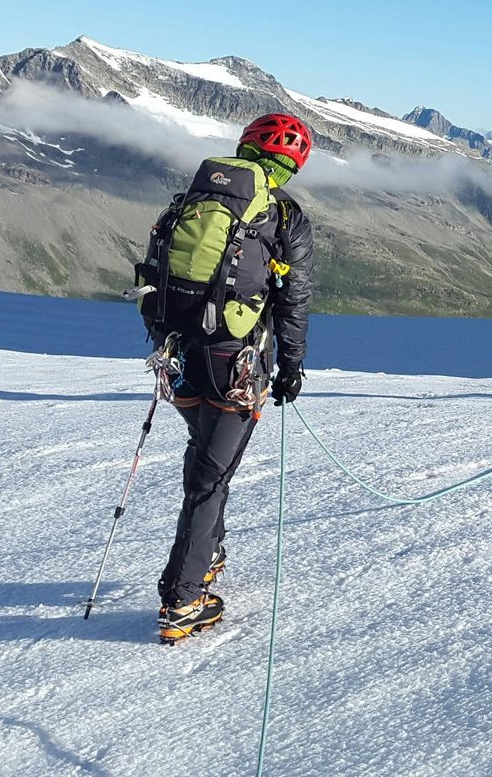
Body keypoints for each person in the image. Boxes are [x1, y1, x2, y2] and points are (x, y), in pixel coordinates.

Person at [144, 113, 317, 644]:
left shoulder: (190, 200)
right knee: (210, 477)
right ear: (293, 163)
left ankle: (208, 551)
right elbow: (293, 301)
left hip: (177, 354)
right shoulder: (283, 216)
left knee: (204, 454)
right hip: (233, 361)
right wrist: (291, 366)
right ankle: (183, 599)